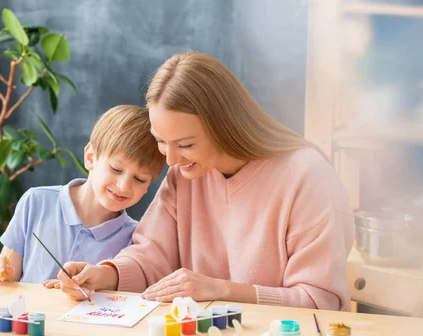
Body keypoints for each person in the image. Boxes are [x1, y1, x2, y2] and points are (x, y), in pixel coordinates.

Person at [57, 52, 355, 311]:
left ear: (225, 125)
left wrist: (220, 290)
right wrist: (104, 275)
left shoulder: (306, 177)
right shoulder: (186, 174)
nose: (171, 160)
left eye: (185, 144)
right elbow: (151, 257)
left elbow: (320, 301)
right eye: (161, 141)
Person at [0, 105, 166, 285]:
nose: (124, 186)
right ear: (91, 157)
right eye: (116, 169)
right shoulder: (36, 202)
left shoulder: (135, 238)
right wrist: (0, 272)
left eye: (140, 179)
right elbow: (9, 273)